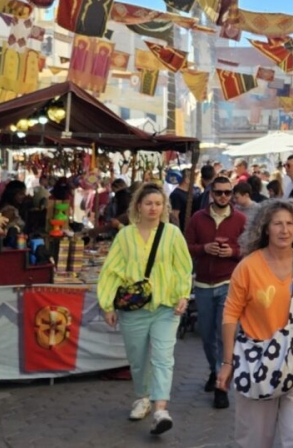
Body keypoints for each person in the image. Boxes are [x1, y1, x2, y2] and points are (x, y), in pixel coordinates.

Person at [218, 198, 293, 447]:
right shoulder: (248, 267)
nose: (284, 229)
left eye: (290, 223)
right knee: (256, 439)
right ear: (265, 228)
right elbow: (230, 314)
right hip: (256, 362)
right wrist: (227, 362)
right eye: (277, 223)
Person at [96, 183, 193, 435]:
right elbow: (112, 270)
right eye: (149, 203)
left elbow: (182, 266)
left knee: (163, 357)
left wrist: (183, 294)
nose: (153, 208)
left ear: (164, 207)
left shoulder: (172, 233)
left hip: (166, 306)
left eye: (158, 204)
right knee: (137, 358)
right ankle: (142, 397)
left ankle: (161, 409)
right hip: (134, 308)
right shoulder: (125, 236)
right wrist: (107, 304)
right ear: (138, 205)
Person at [185, 176, 247, 410]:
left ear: (232, 194)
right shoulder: (198, 218)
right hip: (202, 284)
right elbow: (186, 246)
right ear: (211, 193)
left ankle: (222, 386)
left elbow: (248, 249)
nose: (223, 196)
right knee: (207, 336)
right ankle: (214, 370)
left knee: (225, 335)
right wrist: (203, 248)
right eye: (219, 192)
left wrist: (232, 251)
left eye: (227, 193)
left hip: (228, 283)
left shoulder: (240, 219)